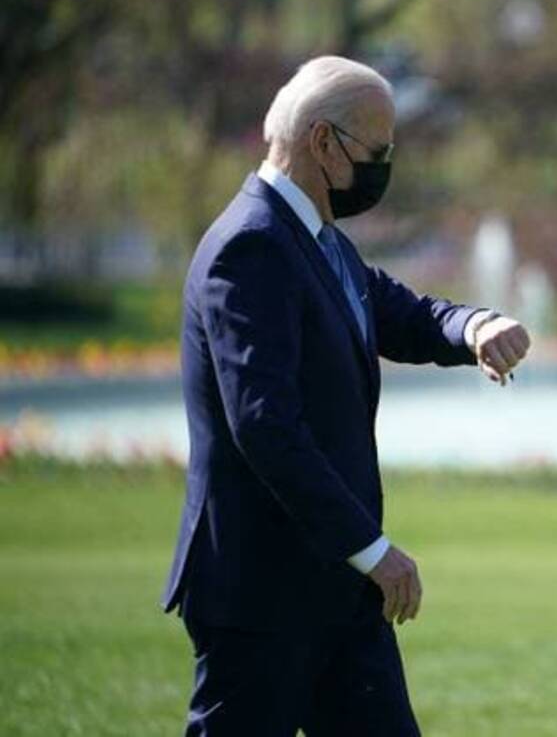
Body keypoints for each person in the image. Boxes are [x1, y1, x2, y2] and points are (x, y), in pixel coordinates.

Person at [160, 55, 531, 736]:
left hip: (337, 592)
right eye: (378, 149)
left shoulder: (317, 239)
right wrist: (371, 548)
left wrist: (476, 325)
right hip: (262, 592)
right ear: (323, 143)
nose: (385, 165)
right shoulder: (251, 247)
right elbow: (266, 426)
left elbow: (402, 312)